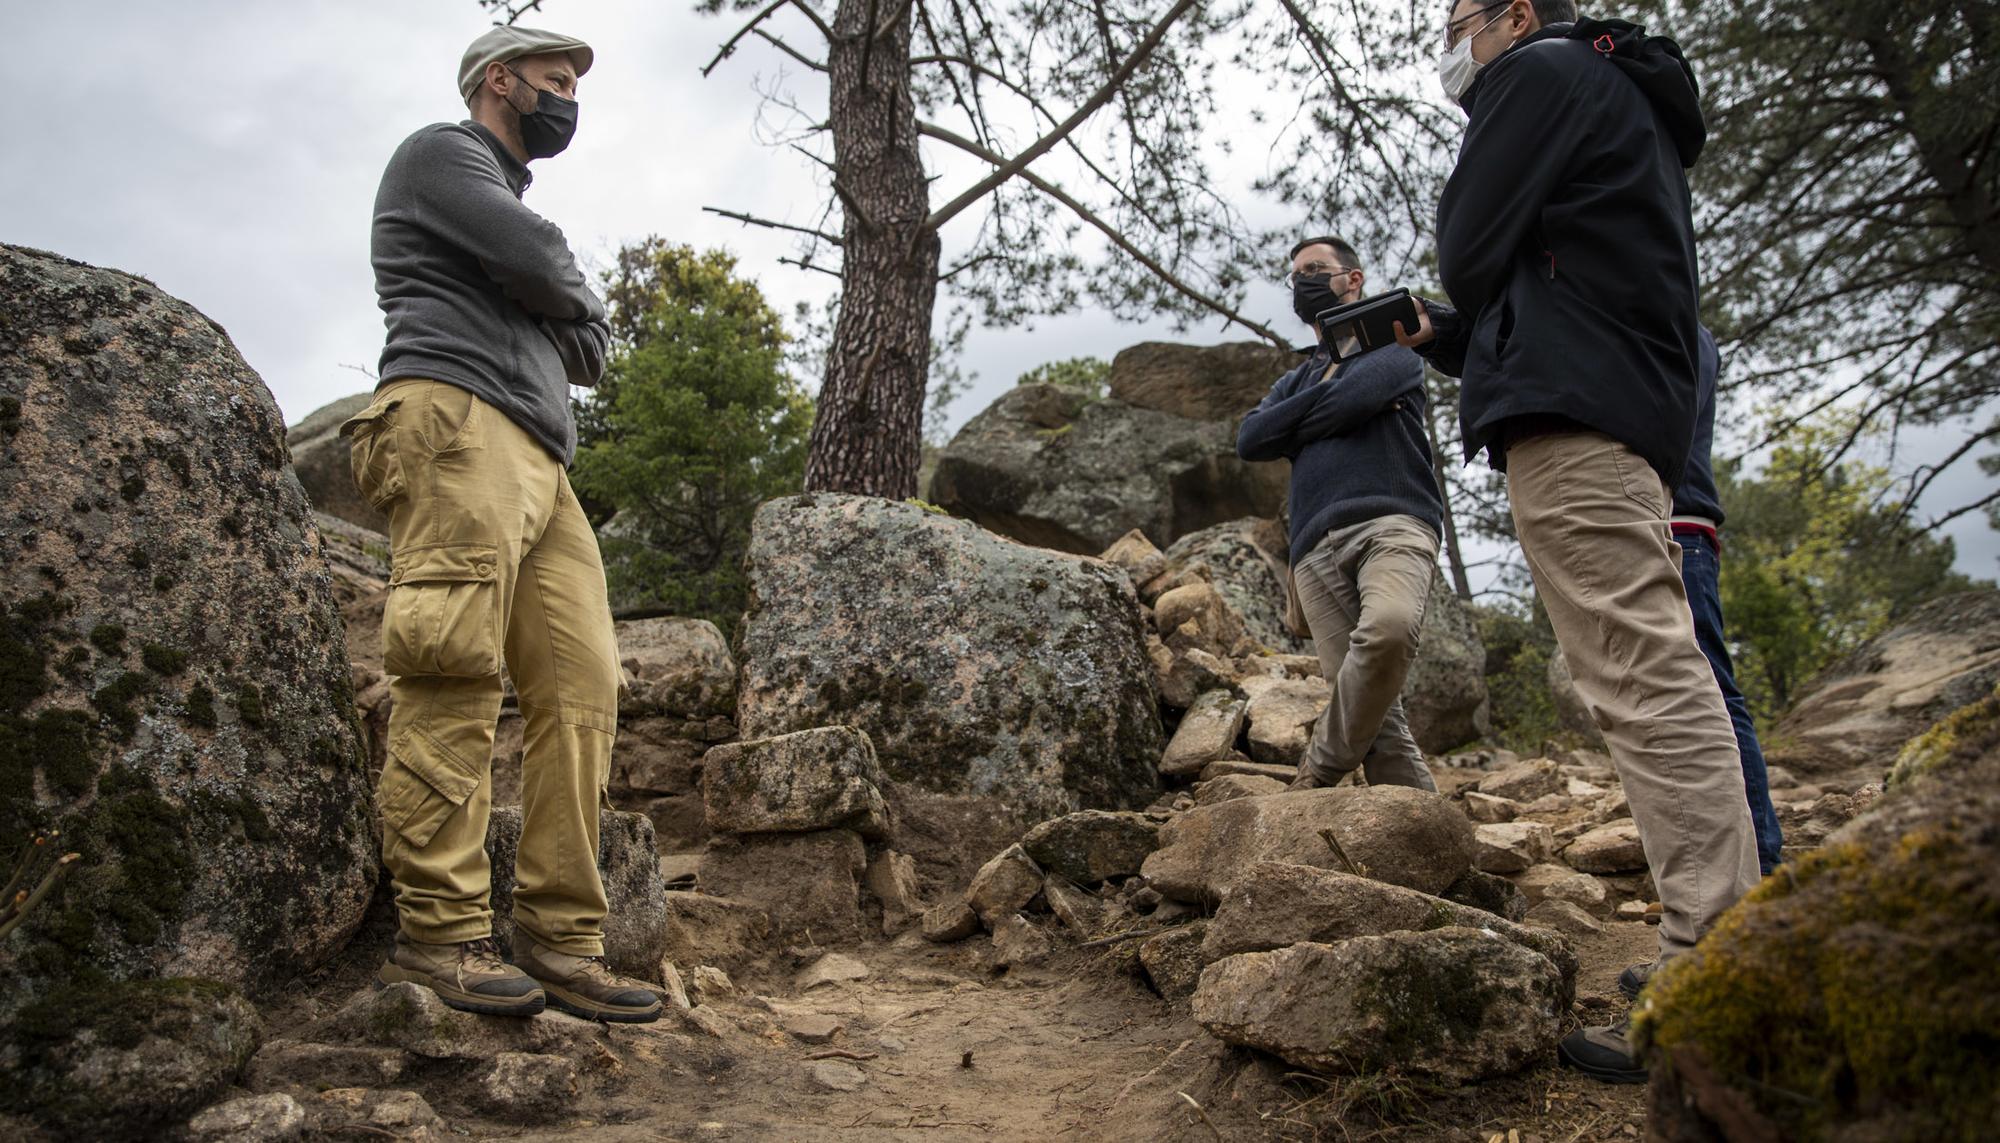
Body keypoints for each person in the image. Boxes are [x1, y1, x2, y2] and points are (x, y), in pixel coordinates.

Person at [1396, 0, 1761, 1082]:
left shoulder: (1538, 71)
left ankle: (1718, 978)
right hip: (1619, 404)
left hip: (1579, 426)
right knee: (1654, 667)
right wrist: (1455, 340)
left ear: (1514, 12)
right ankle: (1728, 947)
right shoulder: (1623, 97)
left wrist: (1462, 291)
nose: (1448, 43)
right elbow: (1546, 285)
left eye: (1456, 18)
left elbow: (1468, 248)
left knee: (1645, 681)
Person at [341, 26, 661, 1023]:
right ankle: (439, 936)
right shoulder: (442, 155)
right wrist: (541, 282)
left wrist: (543, 292)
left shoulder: (497, 205)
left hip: (541, 460)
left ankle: (563, 941)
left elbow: (591, 348)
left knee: (583, 684)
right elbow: (543, 263)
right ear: (499, 81)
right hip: (451, 419)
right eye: (554, 81)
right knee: (451, 664)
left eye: (574, 85)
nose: (568, 98)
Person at [1237, 236, 1445, 793]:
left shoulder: (1393, 346)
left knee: (1389, 631)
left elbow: (1354, 399)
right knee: (1377, 715)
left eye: (1316, 269)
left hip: (1391, 520)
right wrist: (1316, 405)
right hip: (1311, 550)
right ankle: (1427, 847)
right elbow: (1252, 437)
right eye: (1296, 274)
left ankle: (1320, 769)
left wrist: (1295, 423)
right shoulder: (1295, 377)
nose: (1303, 280)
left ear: (1352, 279)